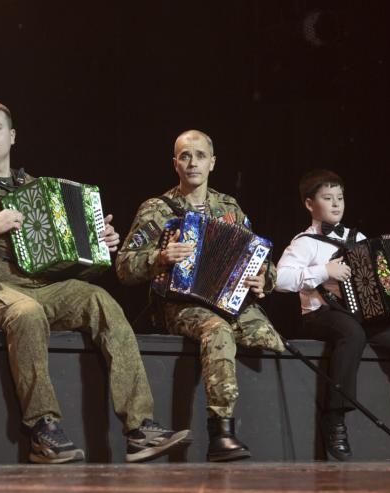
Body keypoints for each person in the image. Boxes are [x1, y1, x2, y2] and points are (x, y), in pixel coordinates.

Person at [0, 100, 190, 464]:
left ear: (12, 136)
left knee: (98, 300)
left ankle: (140, 429)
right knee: (26, 312)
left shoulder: (34, 189)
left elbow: (60, 261)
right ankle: (43, 430)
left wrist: (98, 242)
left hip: (35, 288)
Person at [116, 130, 285, 462]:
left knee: (271, 338)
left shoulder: (228, 207)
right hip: (178, 304)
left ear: (212, 163)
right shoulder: (157, 209)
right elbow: (124, 267)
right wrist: (159, 258)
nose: (192, 162)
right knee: (218, 331)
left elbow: (260, 259)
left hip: (226, 299)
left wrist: (264, 279)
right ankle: (221, 433)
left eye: (200, 156)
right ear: (175, 164)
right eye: (185, 156)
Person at [275, 169, 390, 461]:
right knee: (351, 333)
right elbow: (279, 280)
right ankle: (334, 419)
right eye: (327, 198)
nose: (336, 204)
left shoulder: (360, 239)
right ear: (309, 204)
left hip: (364, 317)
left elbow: (385, 284)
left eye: (340, 198)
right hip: (321, 314)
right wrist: (323, 271)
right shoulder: (304, 242)